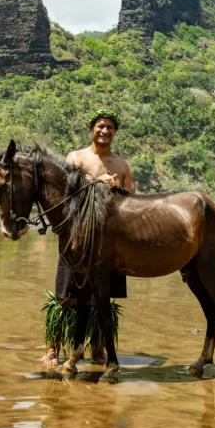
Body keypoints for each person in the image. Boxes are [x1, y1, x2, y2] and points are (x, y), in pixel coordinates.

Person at [40, 110, 135, 368]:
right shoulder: (76, 158)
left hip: (108, 241)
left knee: (99, 298)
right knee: (66, 295)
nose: (105, 131)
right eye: (101, 126)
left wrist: (118, 189)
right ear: (92, 128)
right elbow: (67, 194)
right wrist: (96, 182)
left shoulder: (122, 165)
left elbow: (132, 200)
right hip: (77, 240)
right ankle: (53, 347)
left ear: (115, 133)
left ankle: (96, 347)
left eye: (110, 128)